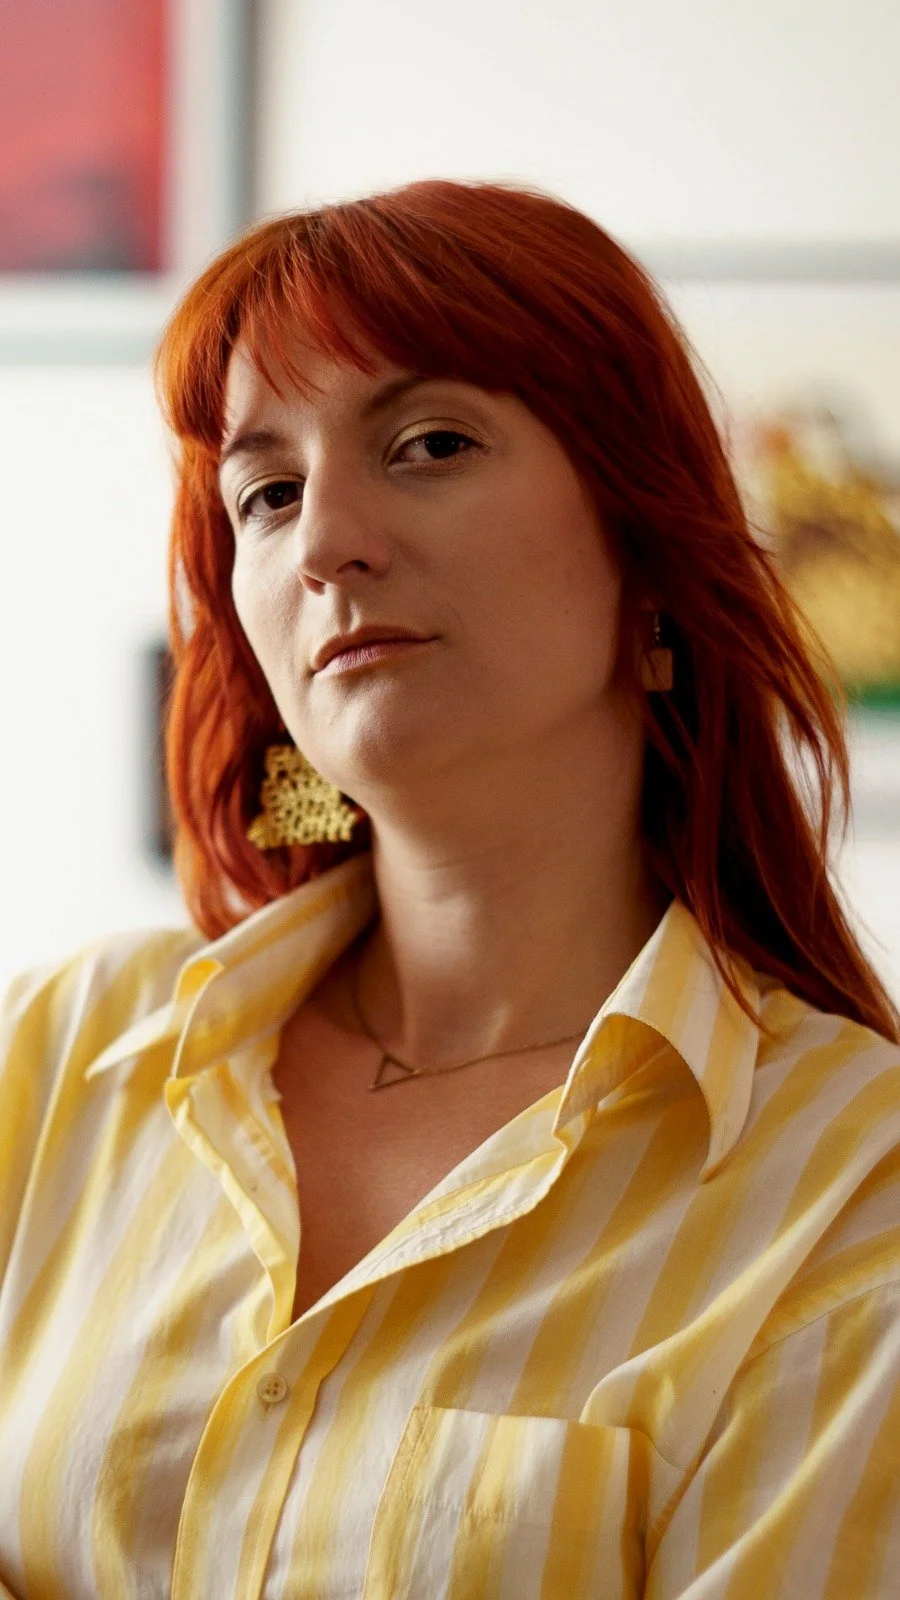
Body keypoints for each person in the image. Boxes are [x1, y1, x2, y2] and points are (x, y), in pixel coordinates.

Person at [0, 178, 898, 1600]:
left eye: (429, 444)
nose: (325, 543)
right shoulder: (53, 1060)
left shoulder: (853, 1188)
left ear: (647, 549)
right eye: (268, 493)